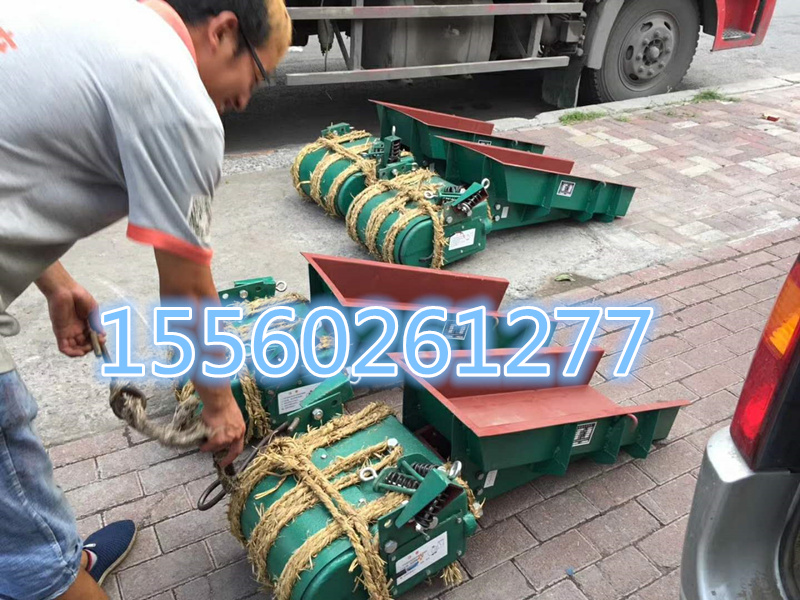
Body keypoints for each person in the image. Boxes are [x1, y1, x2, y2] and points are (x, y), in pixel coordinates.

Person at [0, 0, 292, 598]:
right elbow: (187, 289)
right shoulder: (177, 99)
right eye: (257, 74)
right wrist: (219, 404)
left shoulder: (91, 18)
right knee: (34, 557)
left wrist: (56, 282)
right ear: (224, 32)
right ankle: (55, 570)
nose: (245, 100)